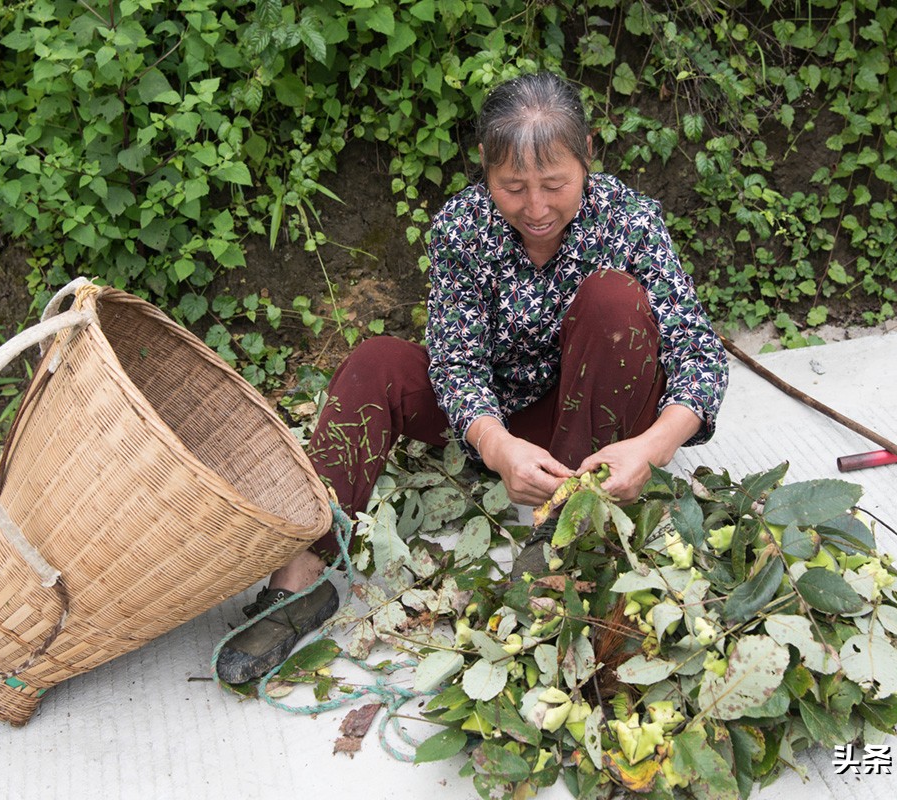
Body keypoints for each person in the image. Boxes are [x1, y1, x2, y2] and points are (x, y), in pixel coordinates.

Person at [215, 71, 729, 684]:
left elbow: (699, 354)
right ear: (484, 164)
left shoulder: (631, 221)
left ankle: (564, 537)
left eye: (556, 185)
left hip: (598, 420)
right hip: (500, 417)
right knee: (375, 361)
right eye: (513, 187)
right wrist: (498, 444)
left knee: (614, 301)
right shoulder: (463, 228)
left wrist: (652, 447)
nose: (536, 208)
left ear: (589, 153)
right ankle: (305, 571)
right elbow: (455, 361)